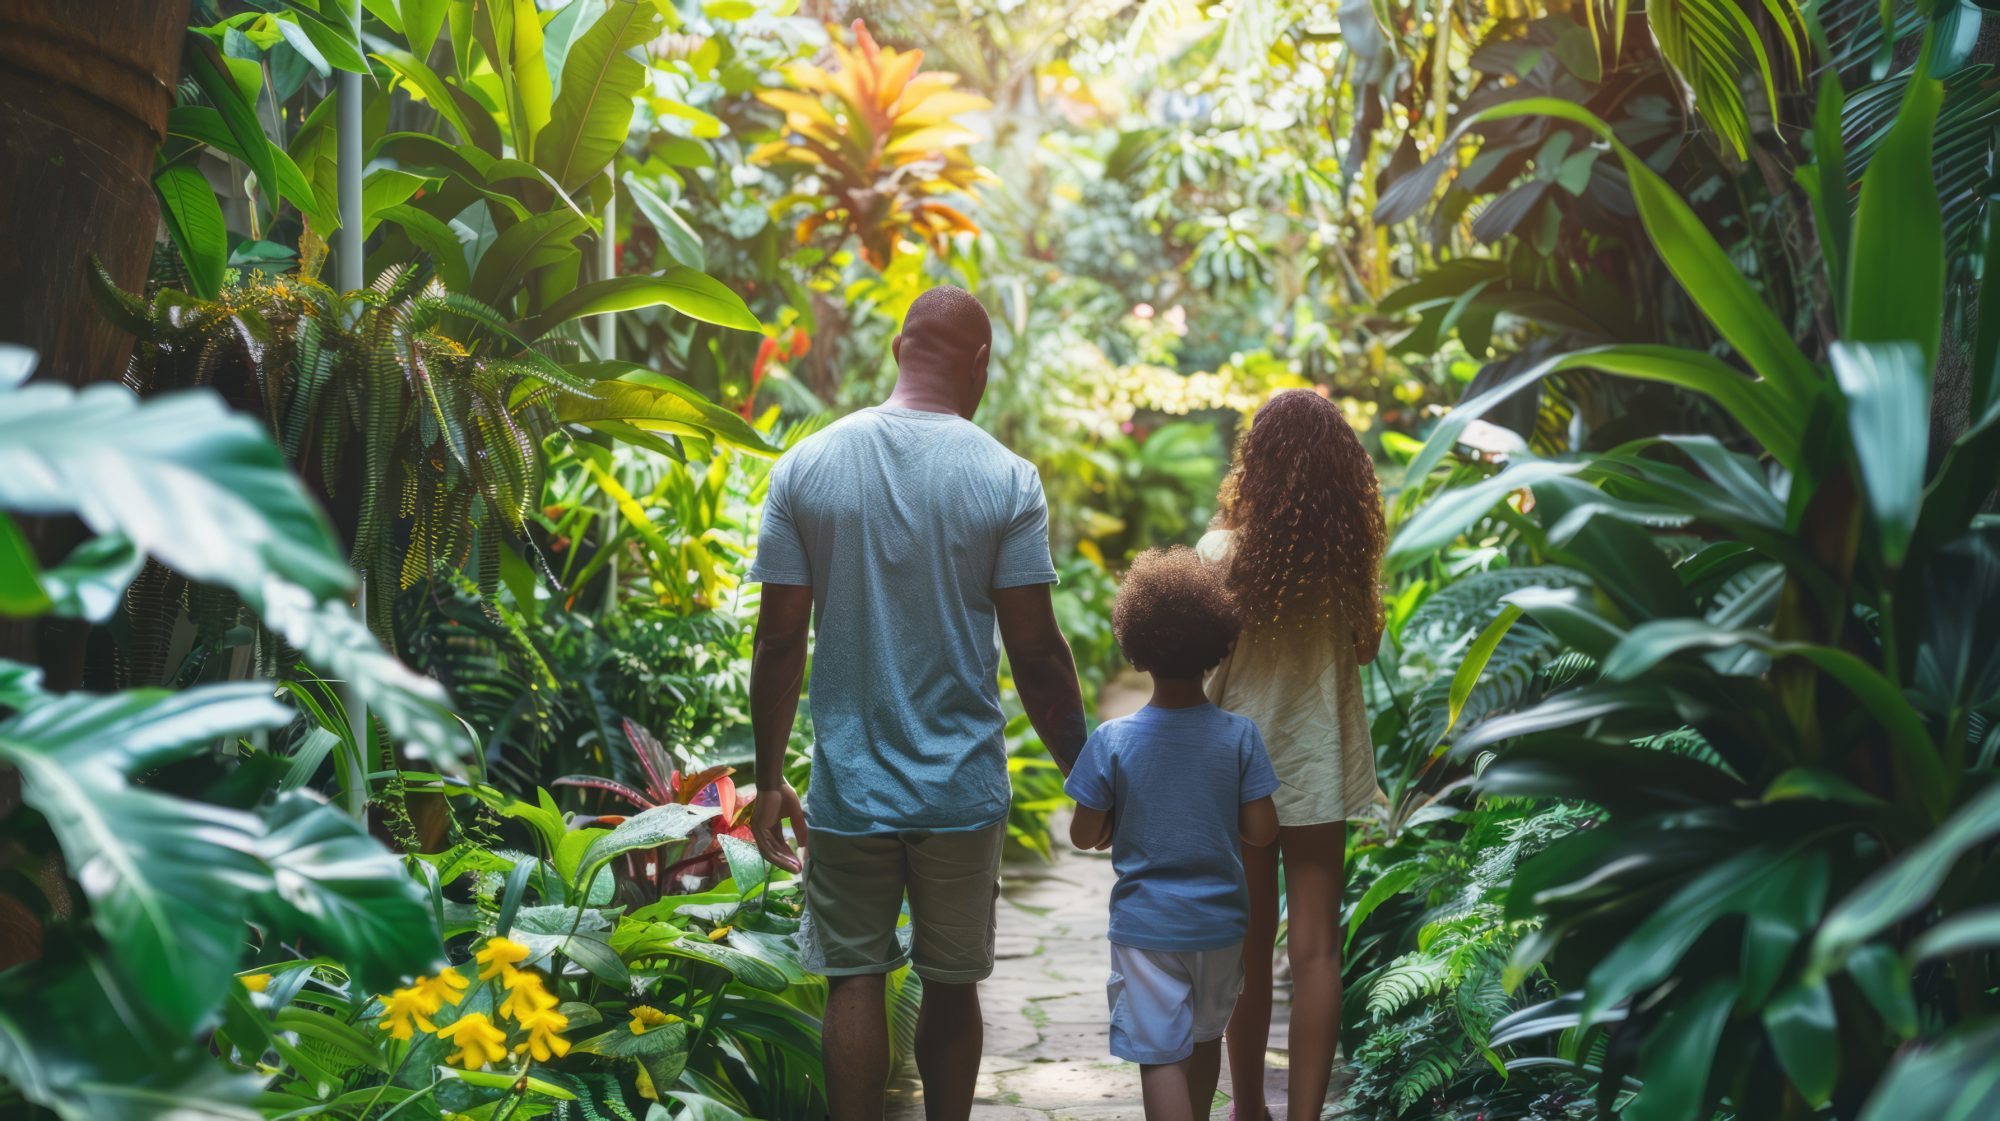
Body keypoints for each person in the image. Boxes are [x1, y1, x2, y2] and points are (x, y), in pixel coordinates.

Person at [744, 285, 1090, 1121]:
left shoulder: (807, 467)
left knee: (853, 977)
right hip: (960, 788)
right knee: (951, 982)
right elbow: (1038, 655)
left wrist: (767, 778)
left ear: (898, 350)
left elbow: (780, 640)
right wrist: (1089, 773)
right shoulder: (1006, 478)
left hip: (849, 786)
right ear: (980, 365)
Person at [1196, 388, 1387, 1120]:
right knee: (1315, 953)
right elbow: (1364, 649)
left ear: (1257, 462)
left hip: (1240, 776)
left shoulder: (1223, 553)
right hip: (1319, 767)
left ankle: (1249, 1107)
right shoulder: (1346, 559)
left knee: (1245, 951)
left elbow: (1201, 667)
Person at [1065, 547, 1281, 1121]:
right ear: (1217, 646)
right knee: (1204, 1038)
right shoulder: (1239, 737)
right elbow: (1262, 831)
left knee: (1160, 1057)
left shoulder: (1113, 740)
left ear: (1136, 647)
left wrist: (1113, 817)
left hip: (1147, 928)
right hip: (1220, 927)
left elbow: (1083, 835)